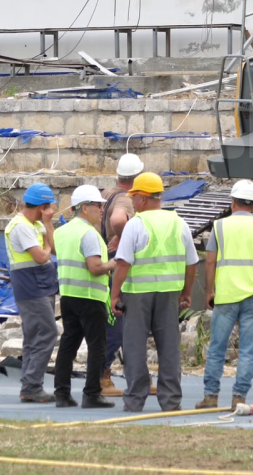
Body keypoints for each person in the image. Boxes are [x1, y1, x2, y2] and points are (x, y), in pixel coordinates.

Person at [110, 172, 200, 412]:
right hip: (169, 293)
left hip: (138, 294)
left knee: (135, 347)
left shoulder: (136, 224)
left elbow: (122, 264)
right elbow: (192, 263)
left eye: (134, 197)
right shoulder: (178, 223)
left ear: (141, 199)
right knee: (169, 347)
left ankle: (135, 400)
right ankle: (171, 401)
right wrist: (186, 292)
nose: (132, 202)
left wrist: (114, 295)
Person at [196, 180, 253, 411]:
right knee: (248, 350)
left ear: (233, 202)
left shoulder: (219, 227)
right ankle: (239, 398)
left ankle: (211, 397)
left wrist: (210, 290)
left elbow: (210, 261)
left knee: (217, 348)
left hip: (225, 297)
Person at [53, 185, 117, 409]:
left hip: (69, 295)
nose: (101, 210)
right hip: (91, 297)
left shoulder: (61, 232)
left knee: (68, 345)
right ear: (84, 208)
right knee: (97, 347)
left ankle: (62, 393)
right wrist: (113, 263)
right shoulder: (89, 233)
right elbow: (95, 267)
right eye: (98, 206)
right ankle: (91, 394)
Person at [4, 183, 60, 403]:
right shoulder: (21, 226)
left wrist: (48, 225)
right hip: (30, 285)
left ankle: (30, 384)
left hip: (42, 283)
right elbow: (42, 256)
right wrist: (46, 243)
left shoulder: (36, 223)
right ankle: (32, 385)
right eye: (49, 209)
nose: (51, 212)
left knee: (34, 335)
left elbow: (55, 249)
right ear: (41, 206)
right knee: (47, 332)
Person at [98, 153, 145, 398]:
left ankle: (131, 377)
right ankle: (103, 377)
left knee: (114, 324)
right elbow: (118, 219)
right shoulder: (125, 200)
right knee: (117, 325)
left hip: (102, 265)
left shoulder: (105, 193)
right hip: (116, 268)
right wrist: (125, 236)